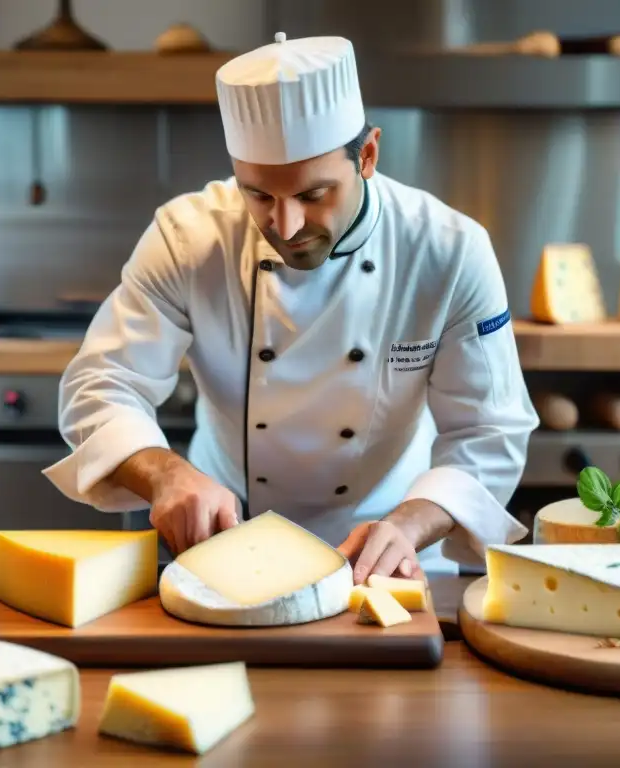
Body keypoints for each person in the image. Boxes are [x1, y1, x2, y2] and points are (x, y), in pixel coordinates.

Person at [43, 32, 540, 583]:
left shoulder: (447, 250)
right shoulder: (188, 238)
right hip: (226, 542)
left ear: (368, 154)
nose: (287, 227)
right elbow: (101, 384)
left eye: (312, 195)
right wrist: (165, 475)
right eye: (259, 195)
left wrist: (411, 523)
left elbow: (487, 430)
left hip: (390, 552)